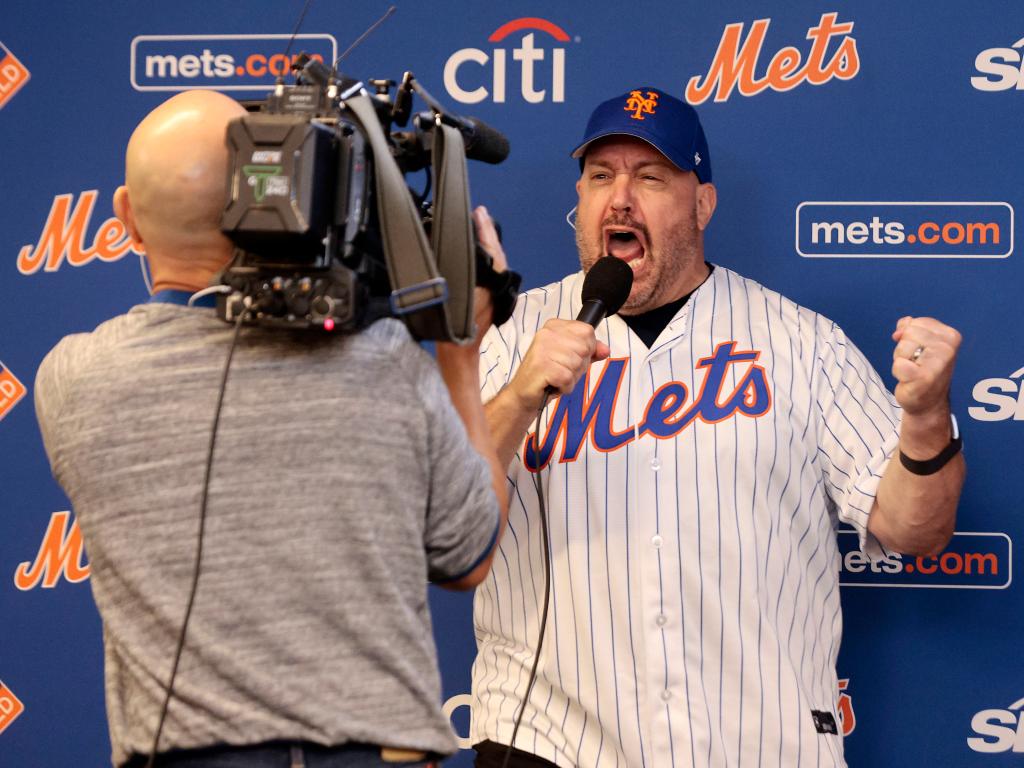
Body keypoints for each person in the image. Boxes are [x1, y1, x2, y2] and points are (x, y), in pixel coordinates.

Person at [469, 87, 964, 768]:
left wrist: (928, 419)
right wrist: (522, 396)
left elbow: (915, 529)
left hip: (757, 744)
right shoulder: (506, 335)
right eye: (600, 176)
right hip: (552, 744)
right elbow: (435, 522)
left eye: (650, 177)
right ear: (578, 201)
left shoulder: (801, 344)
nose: (620, 199)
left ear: (702, 203)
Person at [34, 89, 509, 768]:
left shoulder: (73, 381)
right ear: (282, 200)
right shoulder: (383, 366)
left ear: (126, 222)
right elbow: (470, 553)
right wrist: (459, 350)